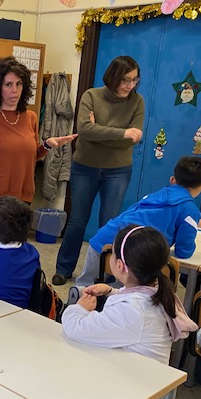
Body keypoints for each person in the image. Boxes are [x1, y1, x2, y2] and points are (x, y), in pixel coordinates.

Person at [62, 226, 197, 399]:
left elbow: (75, 328)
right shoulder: (157, 290)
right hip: (133, 391)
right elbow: (136, 301)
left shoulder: (133, 311)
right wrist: (111, 291)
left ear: (120, 265)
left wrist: (79, 308)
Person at [0, 56, 77, 250]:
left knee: (15, 252)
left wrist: (47, 145)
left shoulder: (30, 117)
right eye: (8, 84)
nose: (14, 90)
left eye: (19, 84)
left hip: (20, 198)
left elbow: (29, 155)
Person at [53, 56, 145, 285]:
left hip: (118, 170)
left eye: (134, 80)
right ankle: (64, 268)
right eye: (125, 80)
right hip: (85, 167)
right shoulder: (92, 96)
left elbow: (133, 137)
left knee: (110, 223)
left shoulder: (137, 102)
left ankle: (105, 275)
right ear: (113, 77)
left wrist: (100, 131)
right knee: (77, 221)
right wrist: (121, 133)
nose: (130, 85)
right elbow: (84, 131)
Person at [74, 156, 201, 287]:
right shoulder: (190, 210)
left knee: (85, 286)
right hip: (134, 254)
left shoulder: (153, 196)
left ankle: (77, 298)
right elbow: (184, 250)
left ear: (172, 180)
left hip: (103, 240)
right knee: (128, 290)